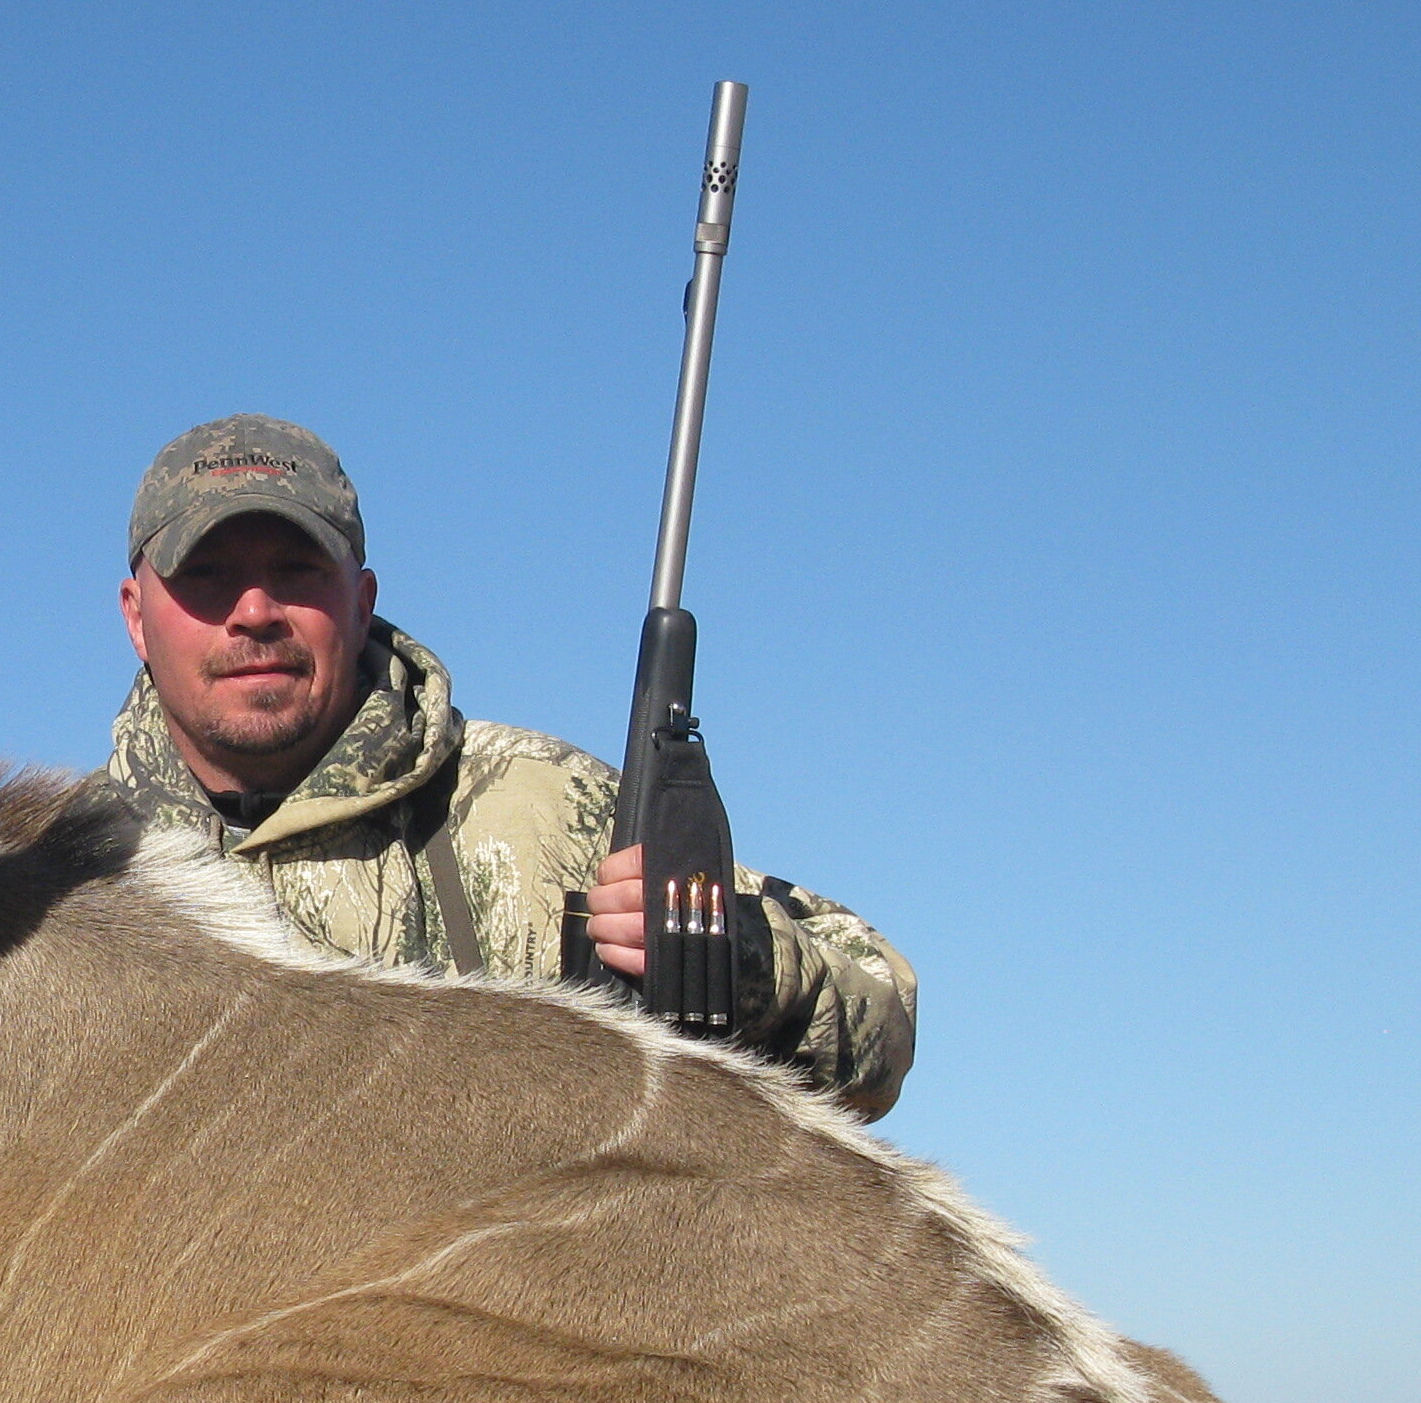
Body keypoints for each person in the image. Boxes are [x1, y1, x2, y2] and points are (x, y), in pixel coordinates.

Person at [93, 415, 917, 1118]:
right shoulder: (64, 881)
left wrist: (738, 963)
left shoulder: (546, 806)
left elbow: (882, 1022)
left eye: (297, 570)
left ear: (362, 597)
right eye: (206, 576)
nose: (255, 612)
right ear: (137, 616)